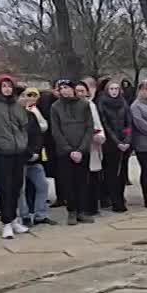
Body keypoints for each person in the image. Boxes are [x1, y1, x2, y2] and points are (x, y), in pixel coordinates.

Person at [0, 76, 32, 239]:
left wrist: (23, 141)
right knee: (5, 187)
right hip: (1, 152)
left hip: (18, 151)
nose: (7, 89)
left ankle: (14, 219)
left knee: (17, 186)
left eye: (10, 86)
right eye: (4, 86)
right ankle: (6, 222)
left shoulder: (17, 104)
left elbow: (24, 125)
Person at [49, 80, 94, 225]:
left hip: (82, 150)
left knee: (82, 181)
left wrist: (81, 149)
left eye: (67, 87)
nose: (64, 90)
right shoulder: (55, 107)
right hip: (65, 152)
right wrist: (69, 150)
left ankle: (82, 211)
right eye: (61, 88)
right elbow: (56, 131)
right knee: (68, 182)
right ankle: (72, 211)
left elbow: (89, 127)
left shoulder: (84, 105)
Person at [19, 88, 53, 227]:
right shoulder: (13, 117)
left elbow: (38, 134)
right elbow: (18, 138)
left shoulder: (31, 114)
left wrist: (36, 152)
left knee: (43, 185)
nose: (25, 99)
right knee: (21, 189)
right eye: (22, 96)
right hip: (21, 158)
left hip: (35, 157)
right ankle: (25, 216)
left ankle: (40, 215)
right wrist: (28, 153)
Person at [97, 80, 131, 212]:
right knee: (111, 173)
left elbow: (128, 123)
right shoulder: (102, 103)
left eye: (116, 89)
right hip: (110, 143)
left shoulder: (123, 102)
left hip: (124, 142)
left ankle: (120, 197)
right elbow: (105, 124)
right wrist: (117, 142)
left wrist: (127, 139)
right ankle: (114, 200)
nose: (114, 91)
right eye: (111, 89)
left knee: (122, 173)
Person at [74, 82, 104, 218]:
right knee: (80, 178)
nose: (80, 94)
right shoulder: (72, 106)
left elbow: (97, 124)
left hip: (92, 143)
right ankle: (80, 207)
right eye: (77, 91)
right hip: (76, 145)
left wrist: (99, 135)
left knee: (93, 176)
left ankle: (93, 206)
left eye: (82, 91)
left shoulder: (91, 105)